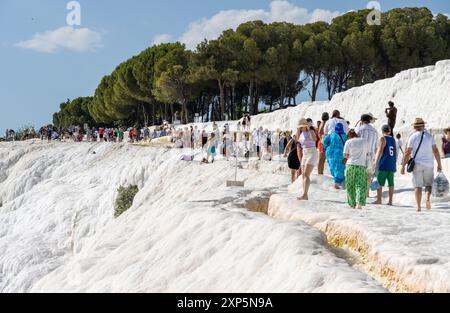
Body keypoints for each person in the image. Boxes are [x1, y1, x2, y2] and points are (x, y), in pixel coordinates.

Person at [401, 118, 443, 212]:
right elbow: (435, 150)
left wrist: (403, 166)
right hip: (429, 164)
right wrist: (439, 164)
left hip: (417, 164)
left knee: (418, 186)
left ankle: (419, 207)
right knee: (428, 184)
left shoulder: (412, 137)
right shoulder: (429, 136)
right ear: (423, 126)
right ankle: (427, 199)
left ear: (415, 127)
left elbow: (407, 152)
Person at [344, 129, 370, 209]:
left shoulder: (348, 142)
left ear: (349, 136)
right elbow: (368, 154)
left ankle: (352, 204)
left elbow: (345, 155)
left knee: (350, 185)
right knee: (360, 185)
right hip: (361, 165)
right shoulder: (365, 141)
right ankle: (359, 203)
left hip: (350, 165)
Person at [356, 114, 379, 198]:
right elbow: (377, 147)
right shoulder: (375, 131)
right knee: (369, 175)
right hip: (371, 156)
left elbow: (356, 143)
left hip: (361, 156)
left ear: (361, 120)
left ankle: (360, 193)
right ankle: (367, 193)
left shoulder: (359, 129)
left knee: (360, 174)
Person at [374, 125, 397, 206]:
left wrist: (375, 162)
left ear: (382, 131)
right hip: (391, 163)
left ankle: (379, 200)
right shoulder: (393, 139)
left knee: (379, 183)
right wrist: (394, 162)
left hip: (384, 163)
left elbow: (380, 150)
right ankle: (390, 201)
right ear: (389, 131)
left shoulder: (383, 138)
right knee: (391, 183)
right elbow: (396, 153)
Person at [296, 118, 318, 201]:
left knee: (306, 174)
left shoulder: (311, 132)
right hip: (305, 153)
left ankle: (305, 195)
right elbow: (298, 140)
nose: (301, 128)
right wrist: (298, 130)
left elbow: (315, 139)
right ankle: (305, 194)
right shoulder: (301, 133)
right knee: (303, 175)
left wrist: (309, 128)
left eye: (301, 126)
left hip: (312, 152)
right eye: (300, 127)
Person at [323, 123, 347, 189]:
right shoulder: (345, 136)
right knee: (340, 168)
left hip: (331, 154)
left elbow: (324, 141)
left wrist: (327, 148)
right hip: (341, 155)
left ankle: (336, 184)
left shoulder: (331, 135)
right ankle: (339, 183)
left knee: (333, 168)